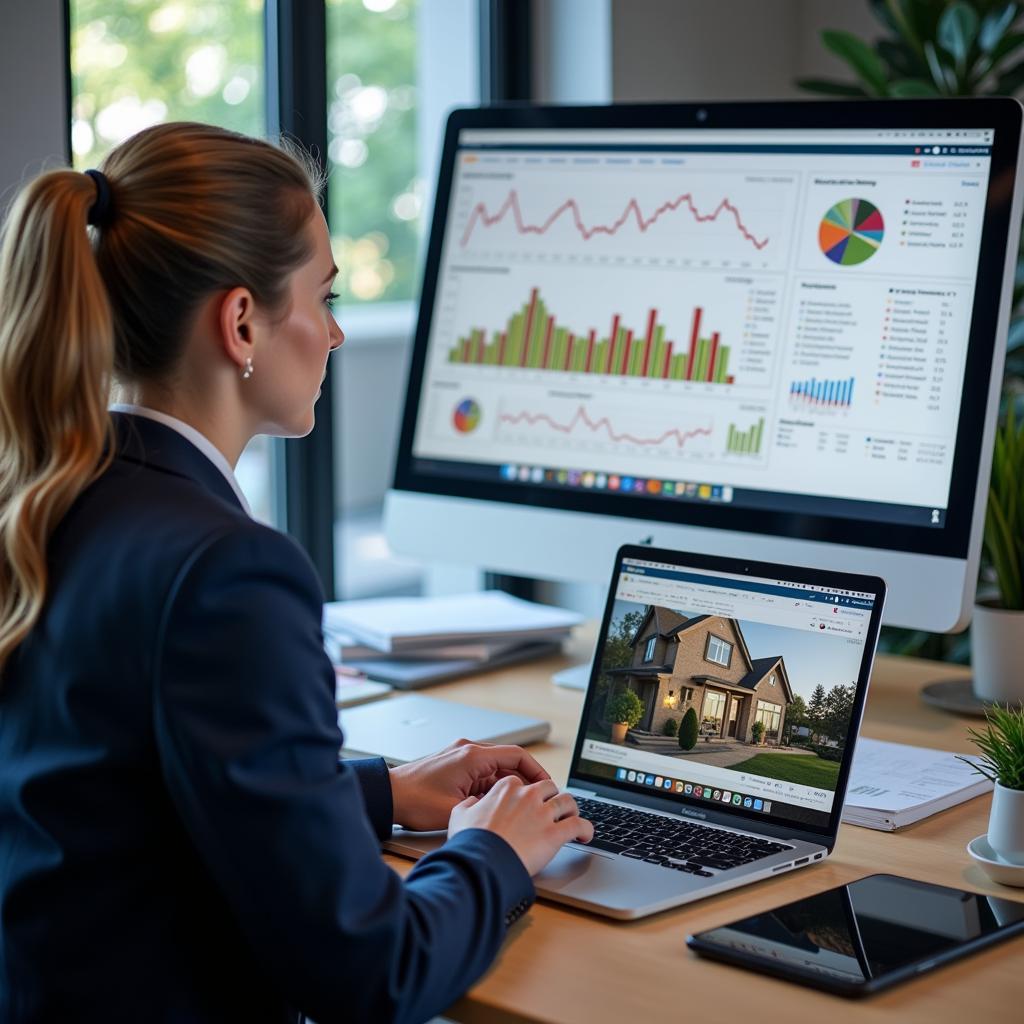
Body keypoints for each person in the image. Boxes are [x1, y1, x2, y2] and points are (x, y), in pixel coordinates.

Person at [0, 122, 593, 1024]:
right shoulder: (229, 572)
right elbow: (369, 976)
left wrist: (383, 792)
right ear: (241, 322)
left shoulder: (51, 498)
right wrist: (493, 853)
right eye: (325, 294)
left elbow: (123, 807)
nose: (339, 331)